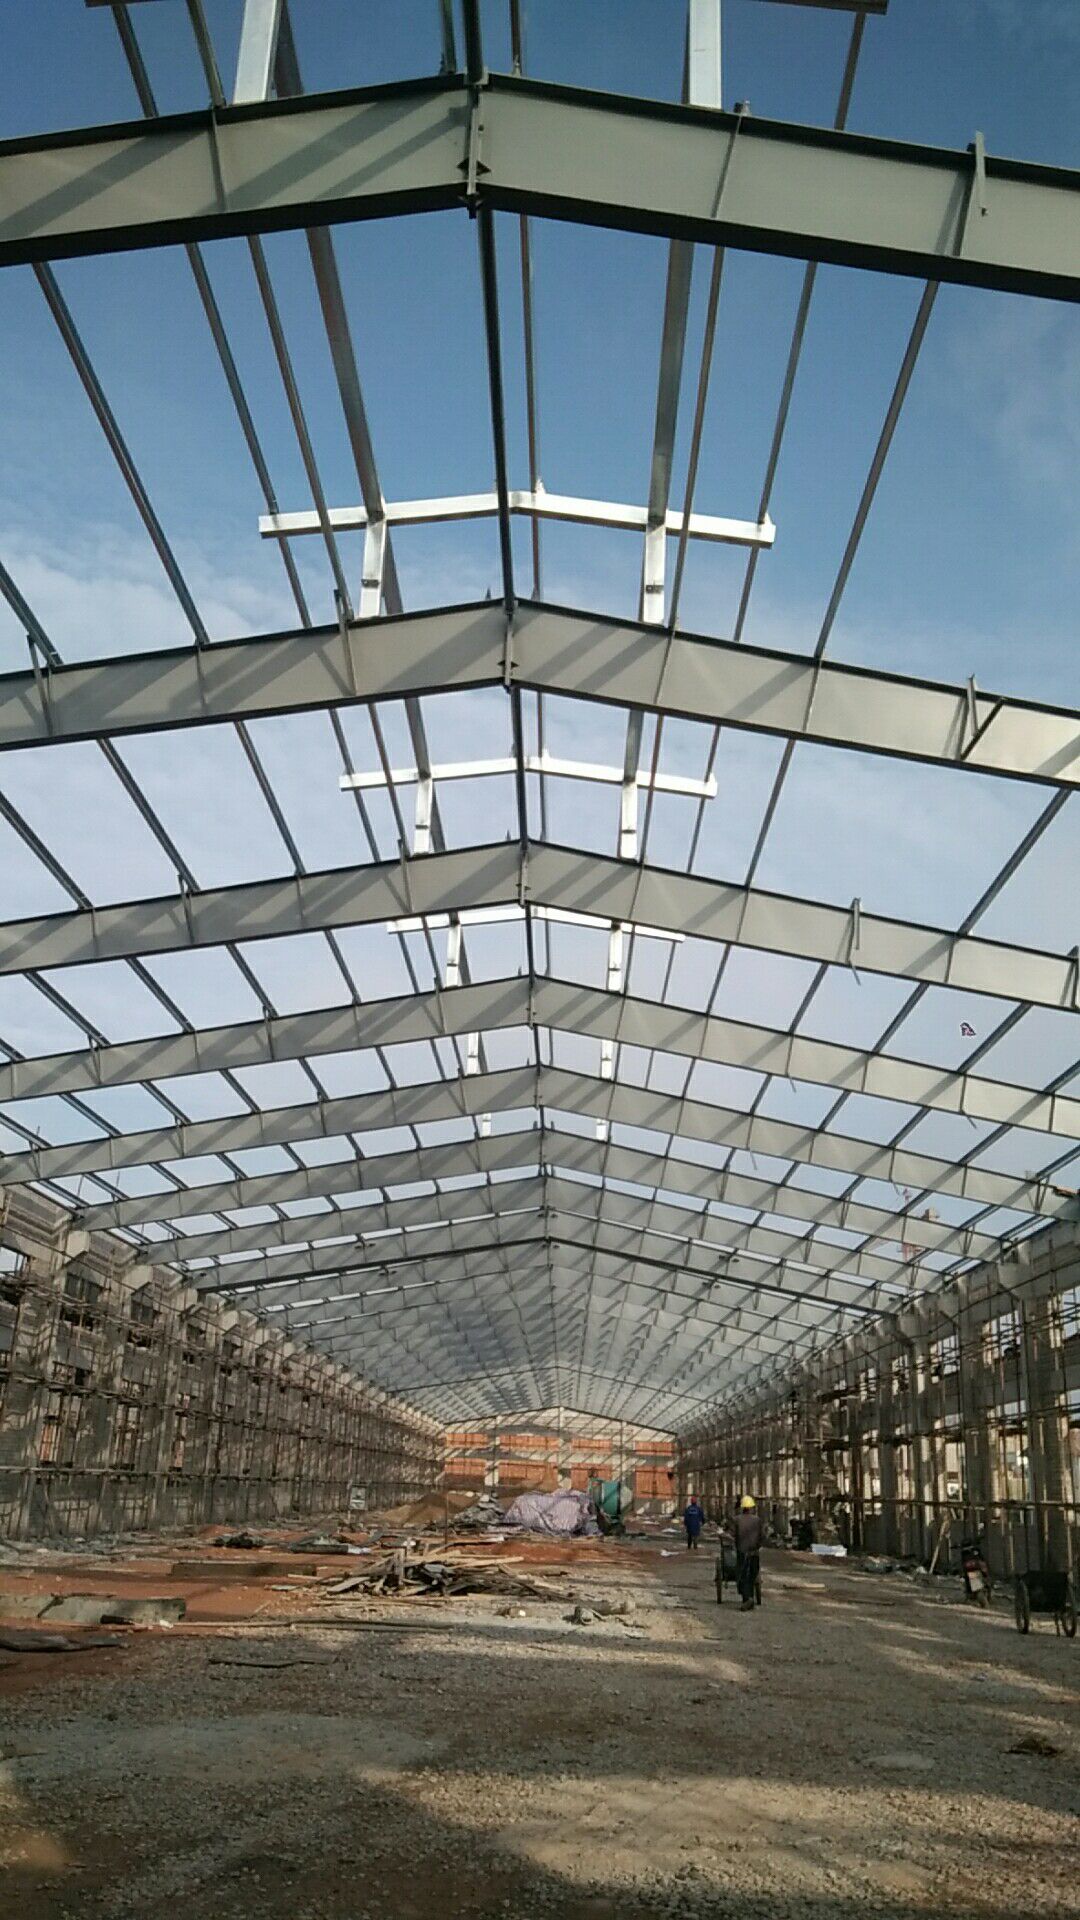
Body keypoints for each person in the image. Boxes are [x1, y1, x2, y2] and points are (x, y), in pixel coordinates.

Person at [735, 1495, 762, 1610]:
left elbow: (732, 1534)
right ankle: (749, 1598)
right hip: (754, 1553)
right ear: (751, 1508)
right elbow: (761, 1536)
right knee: (752, 1575)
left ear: (742, 1507)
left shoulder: (737, 1519)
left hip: (742, 1552)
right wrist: (758, 1546)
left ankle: (747, 1598)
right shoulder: (757, 1520)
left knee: (742, 1575)